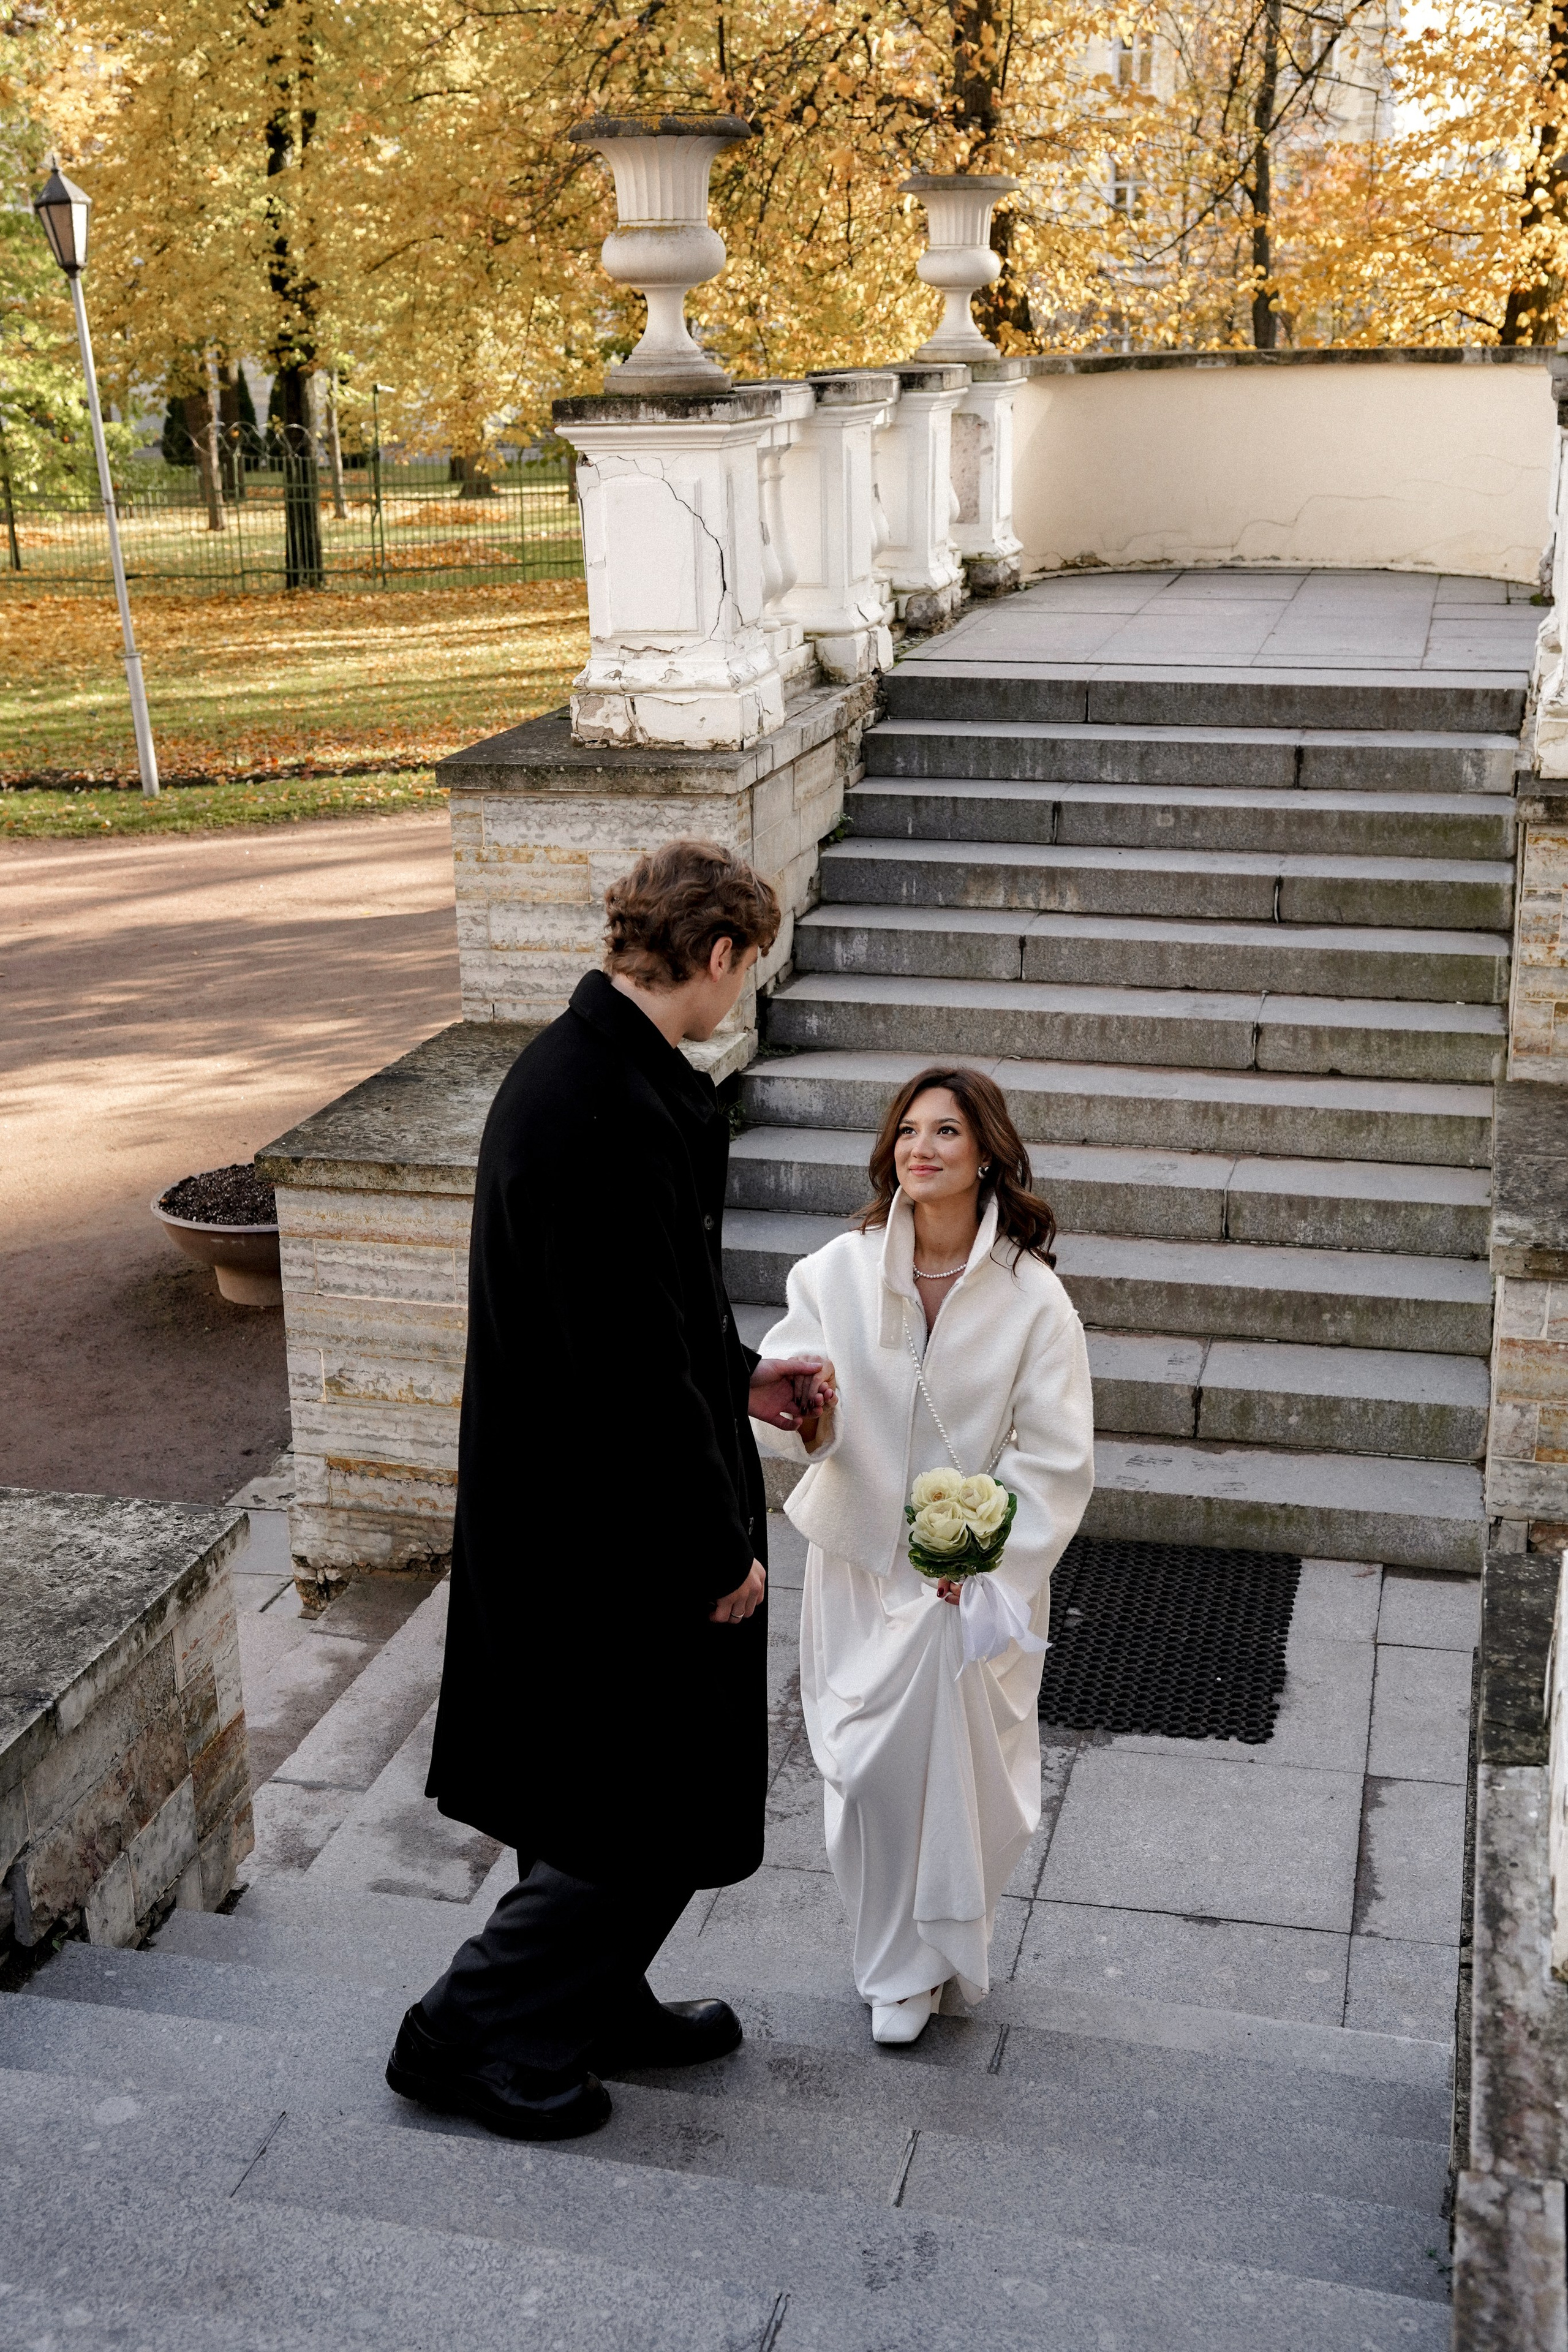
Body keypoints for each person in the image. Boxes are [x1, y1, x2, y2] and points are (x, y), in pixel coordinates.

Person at [386, 839, 836, 2139]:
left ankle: (586, 2002)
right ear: (716, 954)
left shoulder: (592, 1074)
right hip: (608, 1528)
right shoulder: (603, 1107)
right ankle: (462, 2031)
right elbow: (630, 1372)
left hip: (575, 1512)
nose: (744, 990)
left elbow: (646, 1314)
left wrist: (742, 1380)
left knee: (590, 1785)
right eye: (747, 966)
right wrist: (710, 1547)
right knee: (651, 1798)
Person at [752, 1066, 1095, 2045]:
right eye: (908, 1131)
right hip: (860, 1563)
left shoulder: (1035, 1300)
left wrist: (984, 1555)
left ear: (985, 1152)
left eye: (946, 1131)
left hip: (968, 1586)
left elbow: (1058, 1456)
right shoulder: (835, 1273)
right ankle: (891, 1956)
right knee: (865, 1774)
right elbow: (787, 1405)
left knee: (961, 1778)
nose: (922, 1148)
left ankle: (920, 1964)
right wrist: (808, 1416)